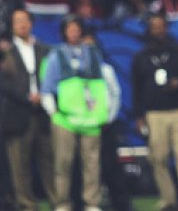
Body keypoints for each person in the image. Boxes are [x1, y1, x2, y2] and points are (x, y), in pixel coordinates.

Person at [40, 16, 121, 211]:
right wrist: (53, 113)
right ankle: (62, 203)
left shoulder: (93, 54)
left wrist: (106, 113)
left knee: (92, 164)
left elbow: (103, 86)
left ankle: (91, 203)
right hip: (65, 119)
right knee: (63, 163)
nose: (74, 32)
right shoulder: (56, 55)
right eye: (70, 29)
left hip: (91, 119)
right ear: (64, 32)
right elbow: (47, 88)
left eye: (76, 28)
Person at [132, 14, 178, 211]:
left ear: (166, 27)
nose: (157, 29)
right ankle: (168, 200)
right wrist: (139, 116)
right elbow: (136, 88)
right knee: (158, 158)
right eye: (153, 26)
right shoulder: (141, 57)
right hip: (154, 114)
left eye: (160, 25)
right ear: (148, 29)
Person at [0, 8, 56, 211]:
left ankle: (57, 202)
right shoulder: (5, 53)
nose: (22, 24)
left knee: (49, 161)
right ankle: (27, 204)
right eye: (17, 21)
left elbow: (53, 77)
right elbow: (3, 84)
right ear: (12, 26)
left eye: (24, 20)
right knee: (19, 165)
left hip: (43, 113)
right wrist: (26, 97)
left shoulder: (45, 50)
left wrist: (43, 95)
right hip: (17, 113)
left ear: (31, 23)